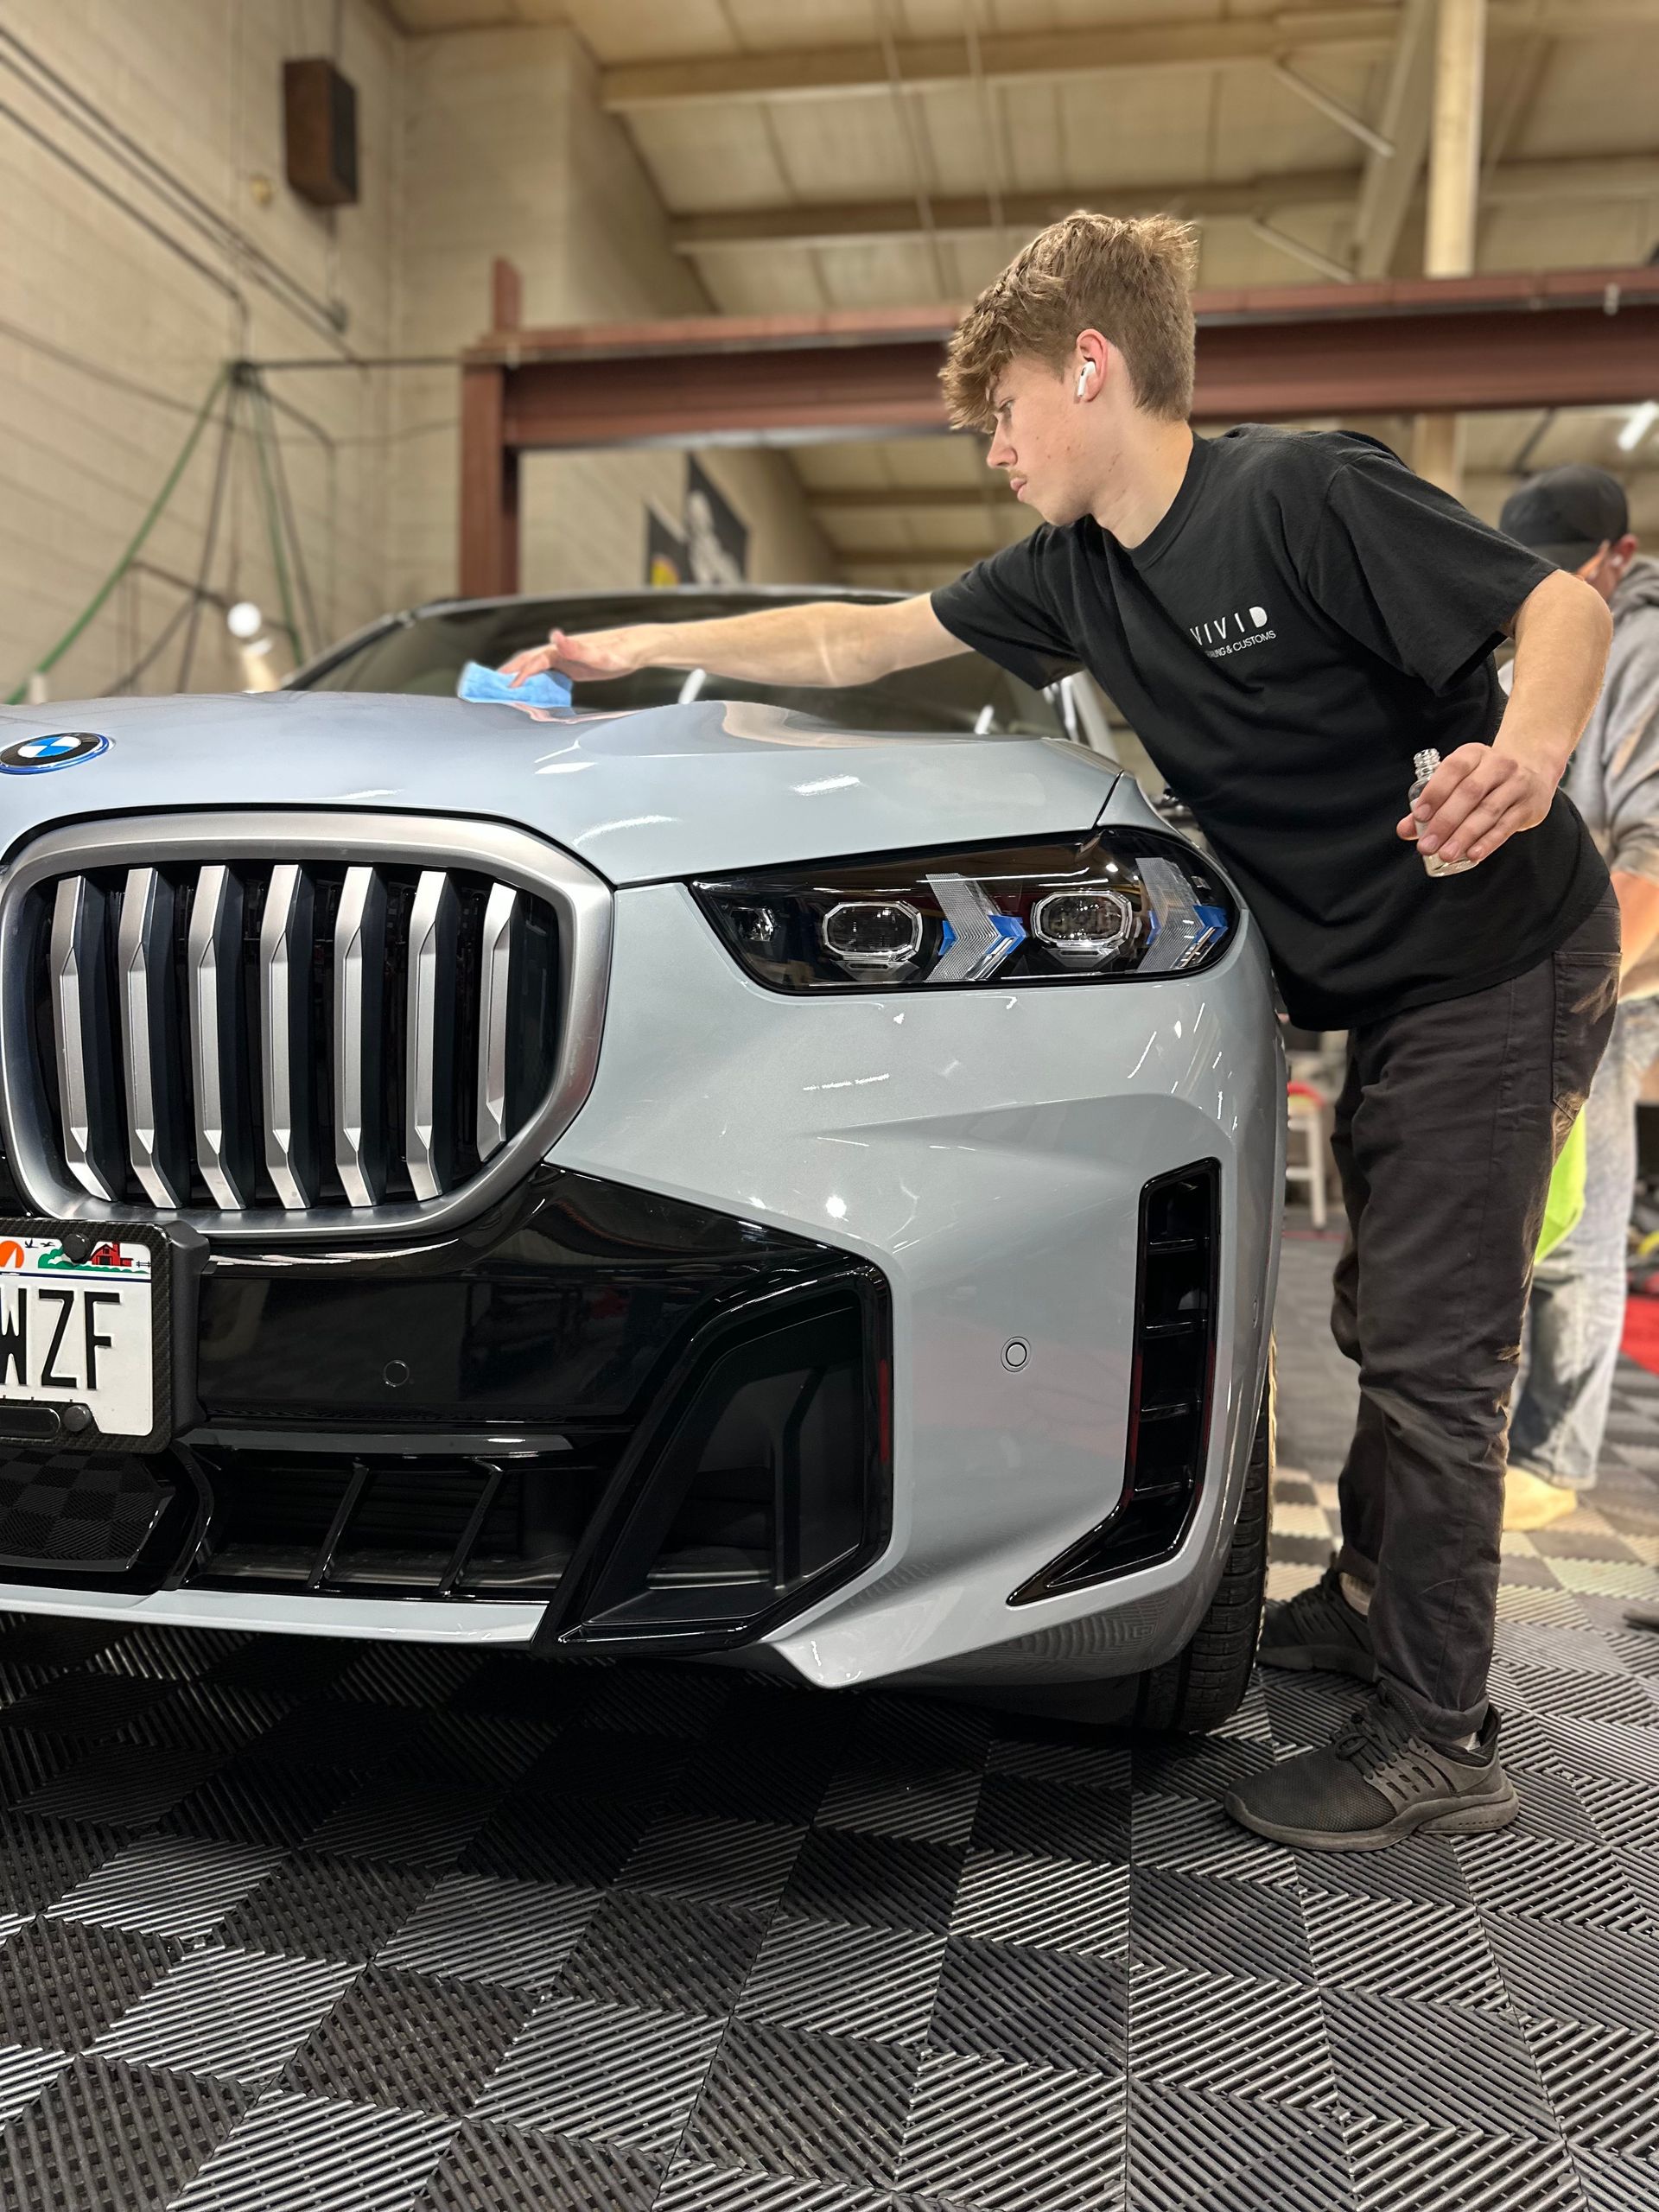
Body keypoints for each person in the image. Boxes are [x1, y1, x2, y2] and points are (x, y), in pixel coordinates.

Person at [502, 213, 1620, 1851]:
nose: (996, 448)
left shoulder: (1297, 496)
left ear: (1091, 368)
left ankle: (1441, 1733)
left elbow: (1557, 615)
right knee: (1387, 1310)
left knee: (1444, 1347)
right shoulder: (1079, 572)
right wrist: (634, 646)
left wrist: (1525, 752)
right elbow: (859, 638)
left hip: (1500, 955)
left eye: (1006, 412)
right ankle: (1374, 1603)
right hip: (1388, 977)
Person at [1493, 467, 1659, 1530]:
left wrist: (1584, 978)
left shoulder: (1639, 649)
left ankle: (1554, 1456)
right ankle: (1520, 1437)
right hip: (1541, 952)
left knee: (1580, 1213)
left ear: (1619, 557)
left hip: (1611, 959)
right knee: (1533, 1209)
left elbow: (1653, 849)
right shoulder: (1542, 632)